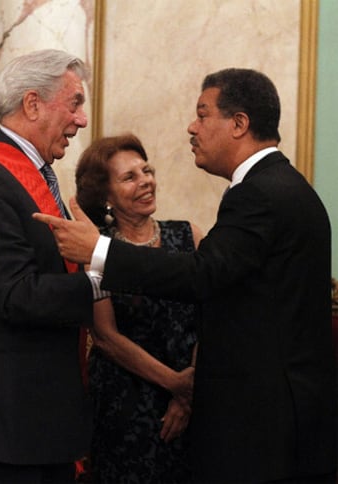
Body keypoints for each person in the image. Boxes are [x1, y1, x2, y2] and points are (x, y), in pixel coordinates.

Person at [33, 68, 337, 483]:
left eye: (203, 114)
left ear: (239, 124)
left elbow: (202, 274)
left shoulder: (261, 193)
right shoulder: (278, 186)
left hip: (264, 426)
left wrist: (98, 250)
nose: (192, 128)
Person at [0, 49, 97, 484]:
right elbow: (16, 295)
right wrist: (100, 280)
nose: (82, 120)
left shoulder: (32, 173)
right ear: (32, 104)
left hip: (36, 421)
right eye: (75, 103)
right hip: (4, 425)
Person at [74, 134, 203, 483]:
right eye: (129, 177)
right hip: (125, 403)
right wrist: (176, 385)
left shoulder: (190, 236)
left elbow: (216, 315)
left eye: (146, 170)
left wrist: (188, 392)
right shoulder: (96, 250)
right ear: (106, 197)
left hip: (195, 399)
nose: (146, 180)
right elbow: (106, 337)